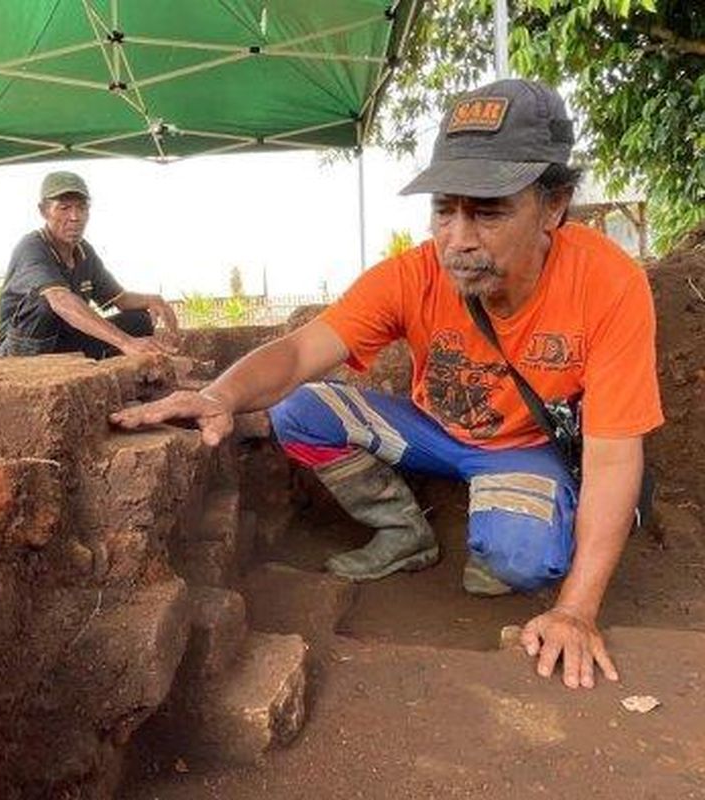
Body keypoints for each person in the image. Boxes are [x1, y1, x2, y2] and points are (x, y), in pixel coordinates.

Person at [111, 79, 662, 690]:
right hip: (432, 433)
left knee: (517, 559)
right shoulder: (411, 275)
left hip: (522, 448)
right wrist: (220, 395)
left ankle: (499, 527)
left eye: (488, 210)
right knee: (298, 410)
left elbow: (613, 455)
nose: (457, 238)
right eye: (444, 209)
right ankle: (404, 531)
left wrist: (576, 610)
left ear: (553, 207)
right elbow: (299, 352)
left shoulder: (609, 284)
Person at [0, 171, 178, 359]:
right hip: (18, 350)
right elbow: (59, 299)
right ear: (43, 211)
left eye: (82, 208)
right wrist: (125, 342)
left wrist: (153, 300)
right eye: (64, 208)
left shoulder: (83, 251)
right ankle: (36, 370)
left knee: (138, 320)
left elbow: (120, 299)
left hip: (61, 342)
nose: (75, 217)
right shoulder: (32, 246)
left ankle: (84, 367)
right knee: (46, 301)